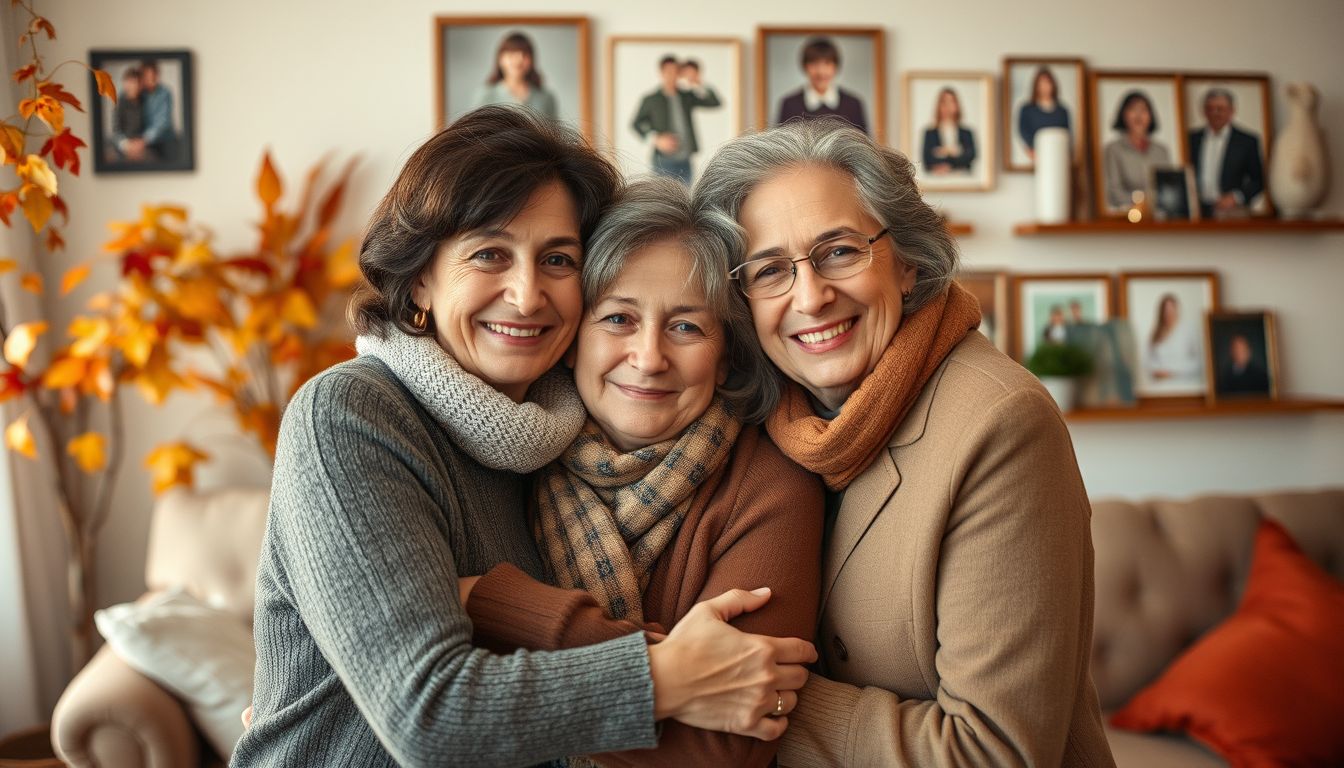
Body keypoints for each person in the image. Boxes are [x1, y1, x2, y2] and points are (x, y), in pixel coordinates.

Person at [231, 105, 815, 768]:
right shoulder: (350, 413)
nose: (528, 294)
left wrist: (487, 600)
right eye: (490, 254)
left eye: (557, 259)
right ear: (420, 279)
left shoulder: (540, 440)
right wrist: (671, 675)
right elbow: (428, 716)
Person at [696, 119, 1115, 766]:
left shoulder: (1002, 424)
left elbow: (993, 753)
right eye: (770, 270)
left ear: (909, 262)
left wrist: (749, 691)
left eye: (840, 251)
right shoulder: (766, 419)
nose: (811, 297)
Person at [460, 177, 823, 766]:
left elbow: (723, 745)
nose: (649, 358)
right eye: (618, 319)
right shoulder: (511, 457)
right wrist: (679, 672)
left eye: (686, 327)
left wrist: (494, 604)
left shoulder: (773, 486)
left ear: (724, 355)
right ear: (571, 340)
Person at [631, 55, 721, 185]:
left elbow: (715, 102)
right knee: (662, 196)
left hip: (685, 159)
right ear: (661, 72)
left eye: (675, 71)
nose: (672, 75)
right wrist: (656, 139)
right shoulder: (651, 99)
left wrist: (697, 81)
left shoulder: (687, 96)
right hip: (663, 160)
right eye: (669, 71)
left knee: (686, 195)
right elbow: (636, 124)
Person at [1189, 88, 1265, 218]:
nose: (1215, 113)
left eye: (1220, 108)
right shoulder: (1191, 139)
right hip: (1197, 210)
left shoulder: (1247, 141)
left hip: (1232, 210)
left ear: (1231, 111)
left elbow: (1258, 180)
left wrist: (1236, 197)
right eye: (1210, 108)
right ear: (1204, 112)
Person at [775, 37, 868, 134]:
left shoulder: (853, 105)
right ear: (805, 66)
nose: (821, 71)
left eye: (827, 63)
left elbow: (863, 142)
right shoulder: (789, 105)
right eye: (814, 63)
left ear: (836, 66)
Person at [1104, 90, 1171, 209]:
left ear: (1150, 116)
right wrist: (1143, 202)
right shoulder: (1113, 149)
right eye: (1133, 109)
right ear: (1123, 115)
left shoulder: (1161, 151)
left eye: (1143, 110)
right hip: (1128, 214)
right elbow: (1114, 192)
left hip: (1159, 215)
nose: (1138, 115)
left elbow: (1168, 188)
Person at [473, 31, 559, 119]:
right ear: (500, 59)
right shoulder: (486, 95)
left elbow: (553, 127)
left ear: (532, 60)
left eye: (524, 54)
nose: (519, 60)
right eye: (511, 54)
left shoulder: (546, 97)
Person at [118, 60, 177, 163]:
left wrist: (143, 141)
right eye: (147, 77)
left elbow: (163, 123)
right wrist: (127, 143)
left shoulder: (164, 93)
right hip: (135, 142)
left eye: (153, 76)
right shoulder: (130, 95)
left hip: (161, 140)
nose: (150, 80)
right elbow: (120, 125)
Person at [1146, 293, 1203, 387]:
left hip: (1185, 385)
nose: (1169, 312)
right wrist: (1157, 371)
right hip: (1161, 386)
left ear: (1176, 309)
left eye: (1171, 308)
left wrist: (1171, 372)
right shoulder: (1156, 332)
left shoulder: (1189, 329)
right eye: (1165, 309)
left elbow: (1199, 363)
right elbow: (1149, 361)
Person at [1017, 66, 1071, 160]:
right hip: (1036, 156)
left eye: (1047, 83)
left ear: (1053, 85)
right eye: (1041, 84)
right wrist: (1033, 150)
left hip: (1058, 155)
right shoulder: (1027, 110)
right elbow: (1023, 131)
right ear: (1036, 86)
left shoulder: (1062, 111)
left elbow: (1067, 133)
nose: (1045, 87)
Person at [921, 87, 976, 175]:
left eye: (951, 102)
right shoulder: (930, 133)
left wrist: (945, 154)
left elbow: (970, 156)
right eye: (944, 102)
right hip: (938, 178)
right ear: (939, 105)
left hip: (962, 177)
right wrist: (956, 153)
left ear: (957, 105)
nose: (948, 106)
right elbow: (927, 159)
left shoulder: (966, 133)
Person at [107, 66, 144, 162]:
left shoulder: (144, 100)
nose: (134, 86)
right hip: (123, 145)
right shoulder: (119, 102)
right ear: (125, 84)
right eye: (131, 82)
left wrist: (141, 142)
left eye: (137, 82)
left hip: (140, 143)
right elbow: (116, 131)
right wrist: (127, 145)